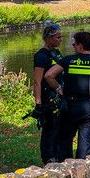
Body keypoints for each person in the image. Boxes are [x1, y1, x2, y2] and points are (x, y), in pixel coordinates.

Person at [44, 31, 90, 159]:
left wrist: (58, 88)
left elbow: (49, 75)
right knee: (84, 145)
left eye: (74, 44)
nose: (73, 46)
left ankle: (65, 169)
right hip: (89, 106)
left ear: (80, 46)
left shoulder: (68, 60)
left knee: (65, 141)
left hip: (70, 106)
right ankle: (83, 170)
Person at [33, 22, 64, 164]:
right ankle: (48, 157)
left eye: (61, 37)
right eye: (58, 37)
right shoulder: (41, 56)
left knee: (59, 128)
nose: (60, 40)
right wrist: (38, 103)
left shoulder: (57, 53)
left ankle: (58, 155)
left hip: (59, 97)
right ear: (49, 38)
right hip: (48, 98)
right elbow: (37, 81)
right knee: (49, 129)